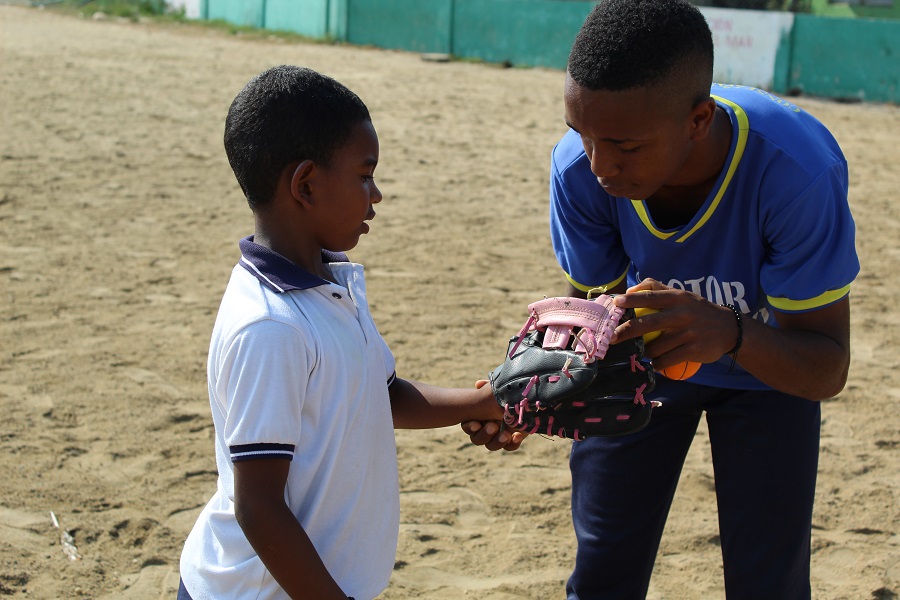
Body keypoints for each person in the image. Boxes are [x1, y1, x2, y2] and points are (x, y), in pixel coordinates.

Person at [465, 1, 859, 598]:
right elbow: (593, 319)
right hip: (643, 366)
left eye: (625, 145)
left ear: (699, 120)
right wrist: (532, 396)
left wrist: (730, 333)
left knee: (768, 580)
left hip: (770, 373)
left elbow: (826, 367)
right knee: (602, 571)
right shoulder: (578, 170)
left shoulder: (795, 173)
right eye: (583, 135)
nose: (600, 165)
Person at [177, 65, 519, 600]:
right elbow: (259, 508)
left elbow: (379, 394)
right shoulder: (270, 326)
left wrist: (485, 402)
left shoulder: (329, 282)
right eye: (365, 175)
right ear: (306, 184)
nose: (376, 194)